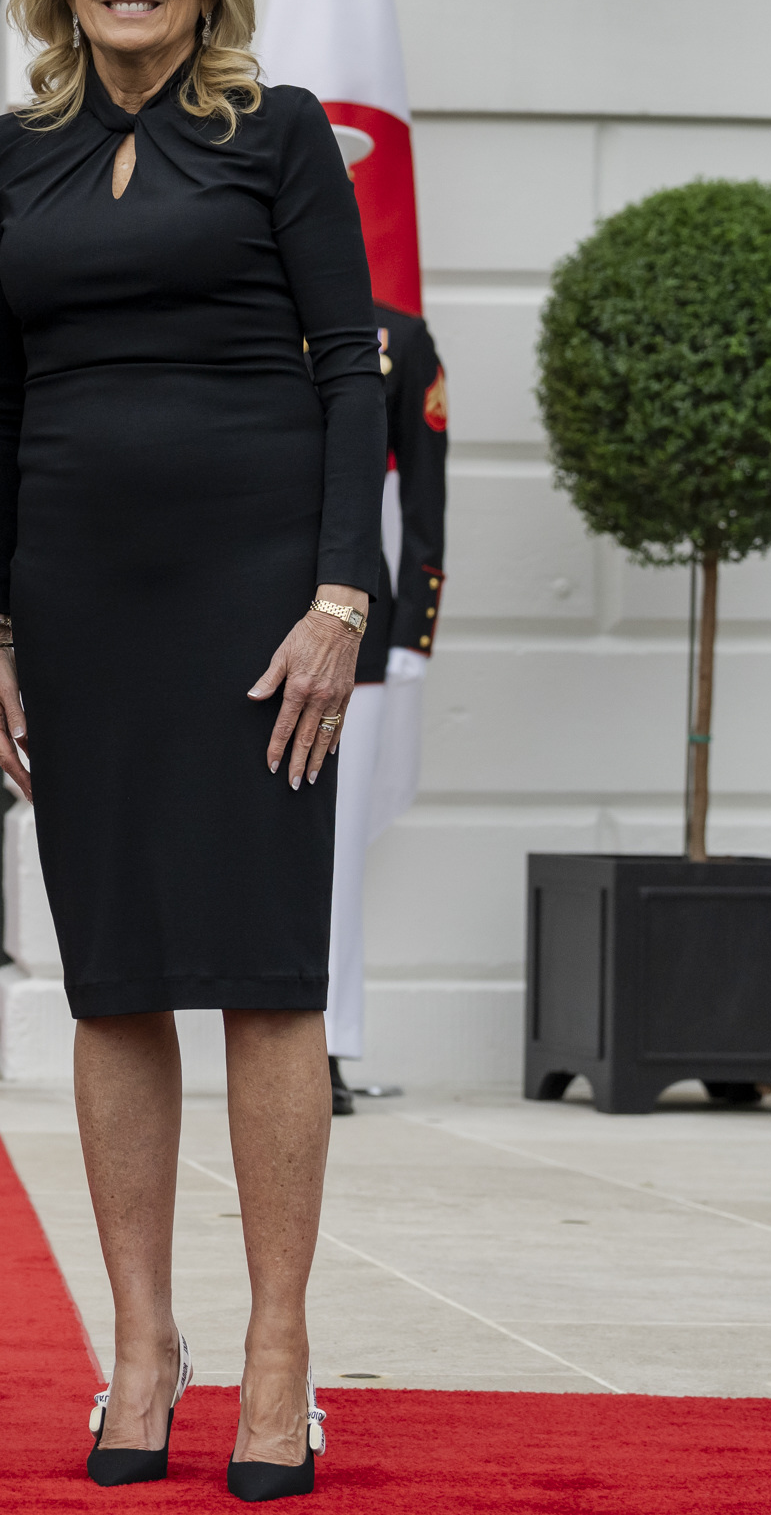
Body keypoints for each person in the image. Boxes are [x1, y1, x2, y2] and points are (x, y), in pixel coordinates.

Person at [0, 0, 384, 1502]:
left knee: (267, 973)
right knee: (117, 976)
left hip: (255, 606)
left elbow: (351, 371)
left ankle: (280, 1346)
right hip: (78, 607)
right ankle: (143, 1345)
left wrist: (340, 600)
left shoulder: (274, 138)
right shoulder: (7, 159)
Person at [326, 297, 447, 1112]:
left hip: (358, 630)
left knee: (333, 854)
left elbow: (425, 495)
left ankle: (325, 1045)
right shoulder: (240, 311)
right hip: (235, 616)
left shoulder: (397, 339)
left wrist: (413, 633)